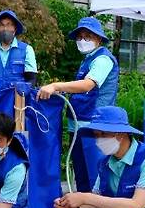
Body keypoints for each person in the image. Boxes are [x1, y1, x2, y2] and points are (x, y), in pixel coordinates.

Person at [37, 16, 119, 194]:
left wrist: (56, 85)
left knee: (97, 178)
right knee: (81, 178)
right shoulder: (88, 59)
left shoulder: (103, 60)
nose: (83, 40)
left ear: (98, 38)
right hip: (79, 125)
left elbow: (88, 85)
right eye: (80, 37)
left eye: (88, 36)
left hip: (96, 127)